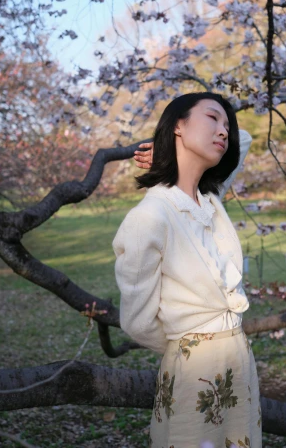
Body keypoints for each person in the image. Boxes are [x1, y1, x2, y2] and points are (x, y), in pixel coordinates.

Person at [113, 92, 260, 448]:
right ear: (178, 124)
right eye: (212, 118)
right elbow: (137, 322)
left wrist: (170, 149)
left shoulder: (210, 201)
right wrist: (189, 343)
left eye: (227, 125)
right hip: (192, 368)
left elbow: (245, 140)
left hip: (239, 362)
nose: (223, 131)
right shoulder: (150, 217)